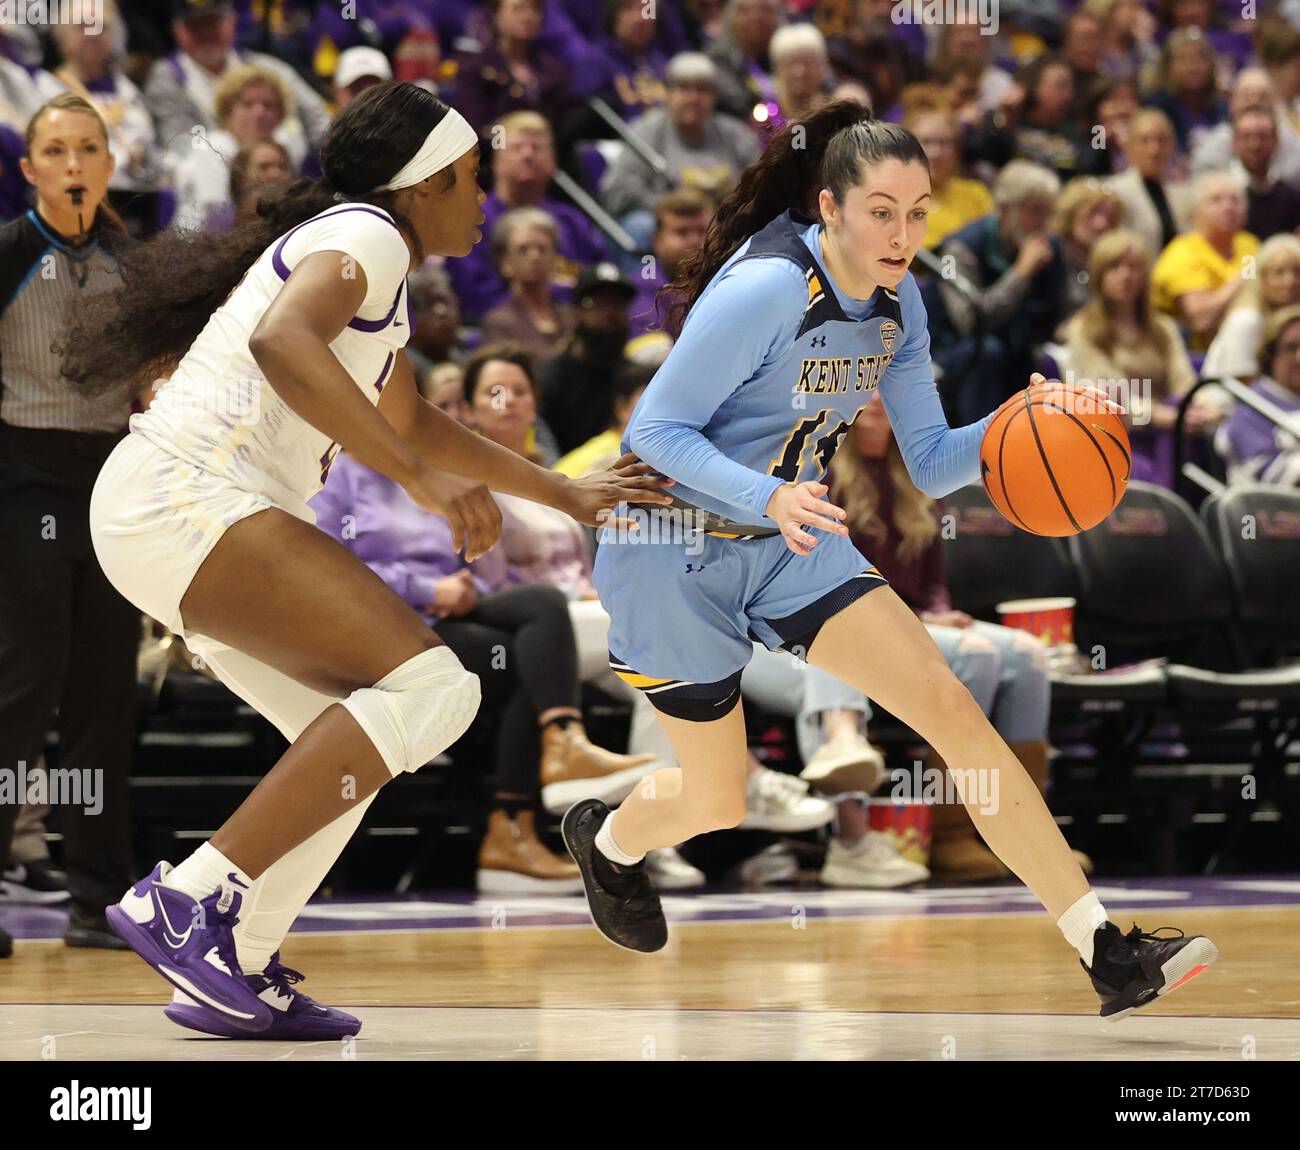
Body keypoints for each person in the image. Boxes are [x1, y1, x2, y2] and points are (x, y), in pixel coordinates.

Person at [560, 101, 1218, 1021]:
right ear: (828, 207)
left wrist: (1024, 423)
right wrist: (767, 495)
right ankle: (610, 837)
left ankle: (1104, 949)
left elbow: (937, 461)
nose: (903, 233)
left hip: (795, 540)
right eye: (881, 210)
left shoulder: (900, 302)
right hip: (671, 548)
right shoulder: (766, 290)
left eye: (917, 213)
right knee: (715, 799)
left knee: (955, 714)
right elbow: (652, 431)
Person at [68, 83, 673, 1038]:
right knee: (436, 690)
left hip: (167, 514)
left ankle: (237, 959)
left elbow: (412, 419)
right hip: (185, 499)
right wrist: (420, 485)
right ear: (423, 183)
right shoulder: (369, 234)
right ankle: (189, 900)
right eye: (472, 179)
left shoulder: (368, 265)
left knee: (346, 745)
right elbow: (281, 340)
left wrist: (559, 490)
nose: (483, 199)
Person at [0, 94, 139, 956]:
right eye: (57, 151)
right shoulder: (9, 251)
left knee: (104, 690)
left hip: (114, 481)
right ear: (30, 169)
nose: (76, 164)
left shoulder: (134, 261)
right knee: (22, 685)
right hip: (24, 476)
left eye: (90, 148)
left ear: (109, 164)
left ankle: (99, 892)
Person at [1218, 304, 1300, 486]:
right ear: (1270, 354)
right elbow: (1271, 478)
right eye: (1291, 347)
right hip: (1271, 510)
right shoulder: (1249, 408)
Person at [1203, 233, 1300, 382]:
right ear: (1261, 278)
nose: (1290, 282)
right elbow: (1240, 385)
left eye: (1297, 272)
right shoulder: (1247, 320)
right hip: (1228, 401)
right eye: (1279, 272)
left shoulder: (1292, 325)